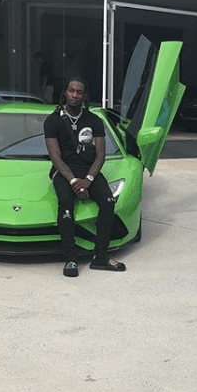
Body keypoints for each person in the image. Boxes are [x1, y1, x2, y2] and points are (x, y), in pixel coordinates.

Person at [44, 77, 125, 277]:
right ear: (65, 92)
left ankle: (101, 257)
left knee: (108, 201)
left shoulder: (94, 120)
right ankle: (71, 259)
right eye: (71, 90)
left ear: (84, 96)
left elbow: (100, 156)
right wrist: (74, 182)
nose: (75, 95)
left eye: (79, 92)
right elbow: (55, 157)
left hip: (89, 171)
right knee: (66, 203)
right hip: (64, 172)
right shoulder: (53, 121)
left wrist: (88, 180)